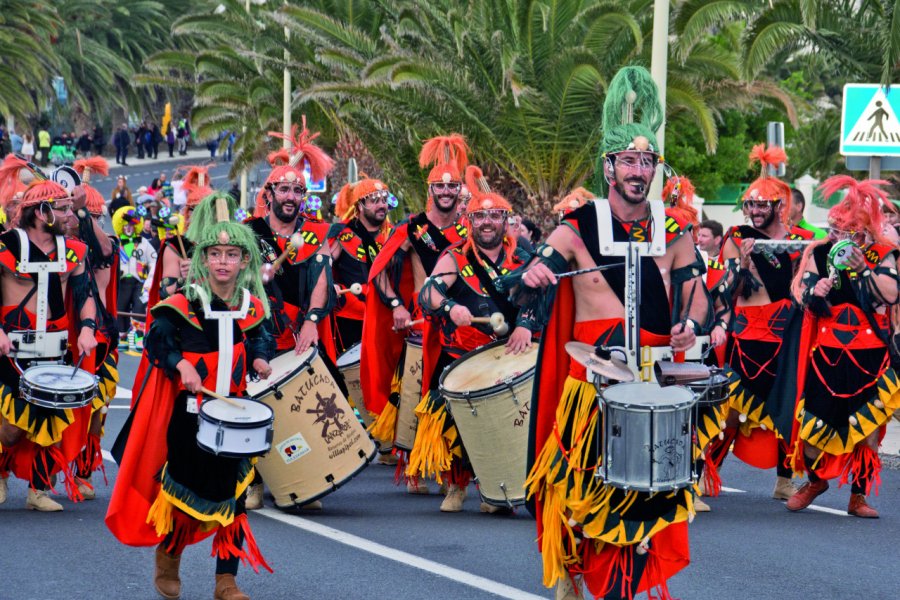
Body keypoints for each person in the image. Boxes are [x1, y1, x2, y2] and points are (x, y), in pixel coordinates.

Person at [515, 67, 708, 599]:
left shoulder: (673, 229)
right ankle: (576, 572)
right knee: (583, 485)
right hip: (589, 381)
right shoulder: (577, 224)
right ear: (609, 167)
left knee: (650, 487)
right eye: (628, 159)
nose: (639, 169)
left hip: (654, 377)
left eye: (648, 161)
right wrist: (533, 274)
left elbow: (698, 295)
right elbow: (537, 273)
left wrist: (691, 324)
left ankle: (623, 584)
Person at [106, 201, 274, 600]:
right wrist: (180, 364)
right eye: (214, 254)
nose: (222, 262)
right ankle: (169, 560)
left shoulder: (251, 305)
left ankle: (226, 582)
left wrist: (262, 358)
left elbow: (262, 337)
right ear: (203, 258)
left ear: (244, 260)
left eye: (231, 255)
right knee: (182, 493)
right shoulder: (184, 302)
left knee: (235, 497)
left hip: (234, 412)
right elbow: (156, 340)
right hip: (189, 414)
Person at [410, 165, 533, 513]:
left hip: (512, 352)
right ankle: (457, 483)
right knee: (452, 420)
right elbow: (429, 292)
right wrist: (449, 307)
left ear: (506, 221)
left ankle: (501, 482)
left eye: (495, 216)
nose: (487, 223)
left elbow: (539, 295)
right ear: (469, 222)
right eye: (480, 217)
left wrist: (524, 323)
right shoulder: (454, 256)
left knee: (512, 421)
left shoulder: (522, 254)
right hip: (464, 355)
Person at [706, 144, 815, 502]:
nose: (753, 211)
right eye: (750, 204)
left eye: (761, 205)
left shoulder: (801, 242)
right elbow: (725, 291)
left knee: (788, 407)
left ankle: (785, 479)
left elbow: (806, 287)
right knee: (731, 412)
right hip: (747, 335)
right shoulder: (738, 238)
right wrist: (743, 264)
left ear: (778, 207)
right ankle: (708, 477)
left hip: (786, 332)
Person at [787, 176, 900, 518]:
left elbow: (891, 294)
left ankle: (858, 496)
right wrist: (814, 292)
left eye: (847, 232)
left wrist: (864, 268)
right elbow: (801, 293)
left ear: (863, 232)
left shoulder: (882, 253)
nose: (839, 238)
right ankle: (815, 480)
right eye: (835, 230)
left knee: (866, 431)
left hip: (870, 357)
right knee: (811, 426)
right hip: (826, 355)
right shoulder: (818, 252)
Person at [361, 134, 470, 487]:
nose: (447, 192)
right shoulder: (413, 228)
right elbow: (379, 270)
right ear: (431, 189)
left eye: (452, 187)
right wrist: (395, 305)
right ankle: (412, 463)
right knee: (413, 396)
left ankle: (455, 466)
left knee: (452, 395)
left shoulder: (469, 229)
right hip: (421, 324)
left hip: (459, 324)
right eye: (440, 186)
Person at [0, 178, 98, 511]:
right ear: (42, 212)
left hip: (55, 348)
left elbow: (85, 295)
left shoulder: (75, 251)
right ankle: (0, 474)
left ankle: (37, 490)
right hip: (11, 348)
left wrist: (87, 328)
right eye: (63, 208)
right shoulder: (4, 246)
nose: (71, 214)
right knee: (12, 428)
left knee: (50, 421)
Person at [71, 157, 119, 498]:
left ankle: (82, 472)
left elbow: (101, 249)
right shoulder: (53, 241)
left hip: (99, 333)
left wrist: (86, 215)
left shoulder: (104, 246)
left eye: (99, 216)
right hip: (62, 331)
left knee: (95, 411)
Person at [328, 172, 394, 354]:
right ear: (360, 206)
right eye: (374, 200)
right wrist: (330, 284)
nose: (381, 205)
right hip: (351, 315)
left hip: (385, 316)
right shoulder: (343, 234)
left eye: (383, 200)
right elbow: (324, 266)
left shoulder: (393, 235)